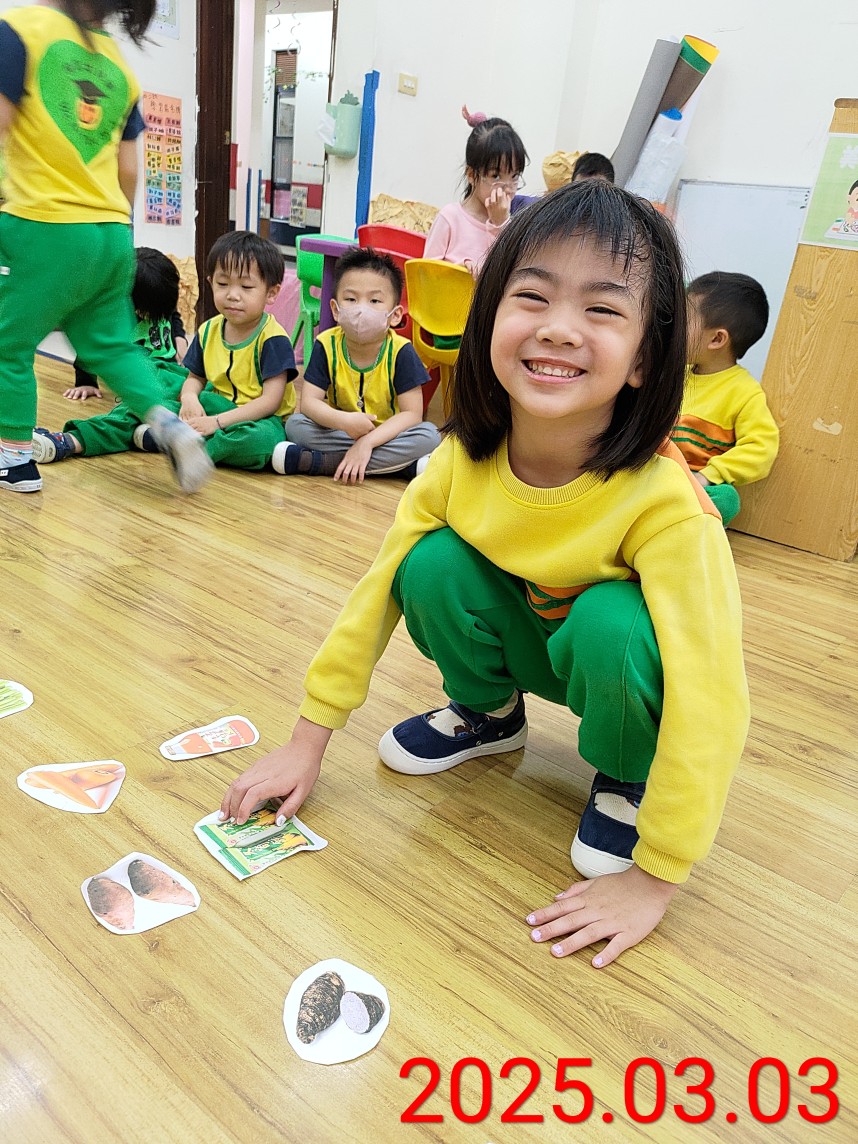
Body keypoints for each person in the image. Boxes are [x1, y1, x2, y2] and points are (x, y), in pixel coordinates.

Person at [221, 181, 750, 970]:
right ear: (490, 318)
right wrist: (307, 741)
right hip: (528, 639)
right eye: (532, 297)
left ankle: (627, 775)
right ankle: (490, 715)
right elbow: (373, 597)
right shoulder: (457, 461)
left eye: (602, 309)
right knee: (426, 563)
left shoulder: (670, 506)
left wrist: (657, 876)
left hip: (608, 665)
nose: (559, 327)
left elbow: (712, 695)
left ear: (645, 357)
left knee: (613, 620)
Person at [0, 0, 211, 494]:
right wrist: (114, 229)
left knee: (8, 344)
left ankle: (14, 460)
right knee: (110, 345)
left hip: (46, 224)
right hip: (112, 231)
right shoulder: (118, 64)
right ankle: (170, 424)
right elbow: (129, 168)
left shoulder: (19, 31)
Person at [36, 231, 297, 471]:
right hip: (212, 403)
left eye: (246, 287)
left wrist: (215, 423)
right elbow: (195, 378)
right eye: (222, 284)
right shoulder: (209, 329)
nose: (232, 295)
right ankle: (71, 441)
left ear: (271, 293)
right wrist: (190, 398)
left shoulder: (272, 338)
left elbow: (270, 402)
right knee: (150, 400)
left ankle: (183, 446)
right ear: (210, 283)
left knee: (260, 441)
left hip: (257, 418)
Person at [275, 247, 440, 482]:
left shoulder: (401, 351)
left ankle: (324, 463)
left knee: (429, 435)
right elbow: (309, 403)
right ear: (335, 309)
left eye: (375, 300)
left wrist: (368, 442)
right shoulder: (326, 344)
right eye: (351, 299)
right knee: (295, 425)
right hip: (341, 430)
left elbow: (412, 414)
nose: (362, 309)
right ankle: (400, 468)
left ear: (395, 315)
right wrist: (344, 421)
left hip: (386, 435)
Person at [32, 247, 192, 462]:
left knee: (199, 398)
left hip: (172, 372)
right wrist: (86, 381)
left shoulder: (159, 302)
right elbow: (95, 346)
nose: (149, 316)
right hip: (143, 377)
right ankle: (68, 441)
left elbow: (174, 316)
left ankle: (151, 433)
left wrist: (180, 337)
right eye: (143, 311)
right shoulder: (118, 317)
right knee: (133, 414)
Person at [672, 271, 779, 526]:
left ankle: (684, 527)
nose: (675, 327)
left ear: (717, 339)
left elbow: (761, 449)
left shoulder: (744, 392)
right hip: (655, 471)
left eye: (685, 320)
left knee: (727, 498)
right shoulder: (674, 374)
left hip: (696, 482)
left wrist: (710, 475)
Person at [423, 105, 528, 276]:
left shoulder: (511, 226)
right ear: (472, 175)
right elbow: (425, 275)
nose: (507, 188)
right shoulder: (450, 218)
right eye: (495, 176)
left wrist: (500, 225)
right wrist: (459, 271)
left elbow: (509, 276)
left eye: (514, 176)